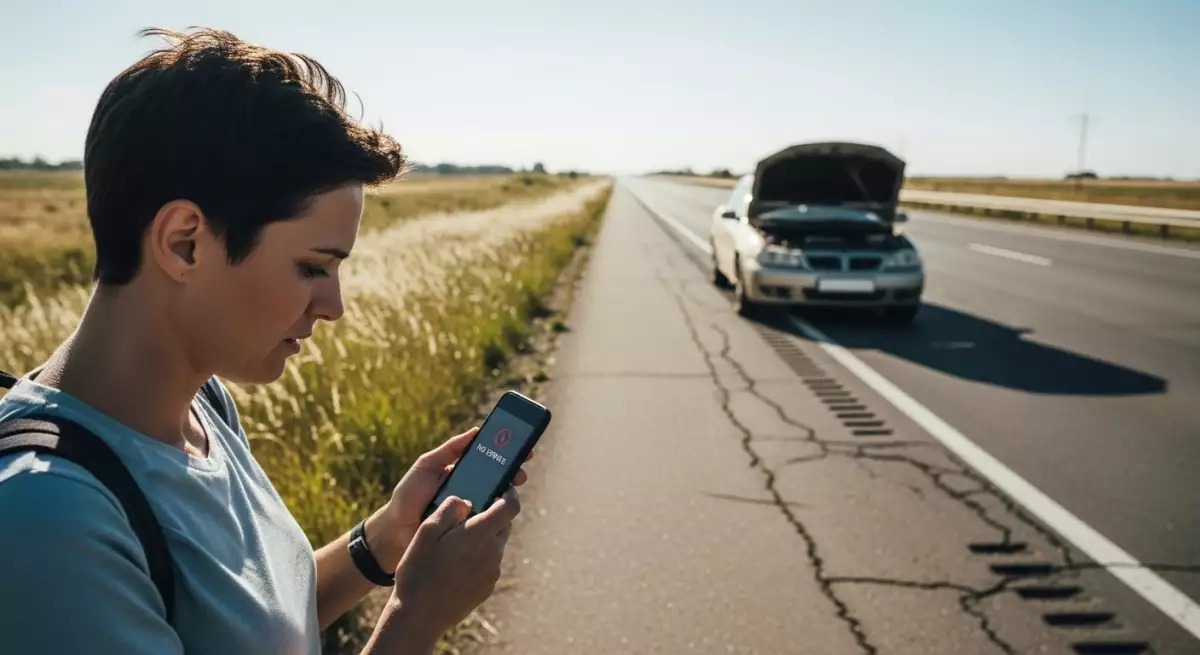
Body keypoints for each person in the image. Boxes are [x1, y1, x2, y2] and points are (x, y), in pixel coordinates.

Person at [0, 27, 524, 654]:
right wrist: (416, 616)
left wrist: (381, 540)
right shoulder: (48, 520)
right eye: (312, 267)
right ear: (184, 242)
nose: (333, 306)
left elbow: (252, 632)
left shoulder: (204, 405)